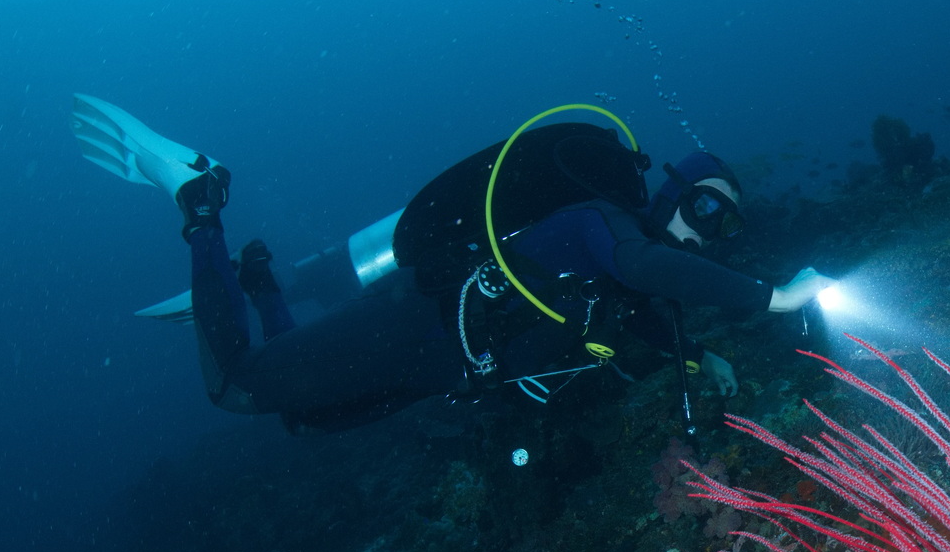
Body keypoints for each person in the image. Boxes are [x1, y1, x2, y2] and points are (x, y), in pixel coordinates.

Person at [70, 96, 835, 432]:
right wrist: (770, 298)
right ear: (669, 189)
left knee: (304, 416)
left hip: (432, 366)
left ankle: (261, 283)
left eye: (723, 222)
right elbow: (647, 270)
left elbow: (635, 319)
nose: (708, 232)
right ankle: (201, 201)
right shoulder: (602, 224)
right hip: (416, 321)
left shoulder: (619, 273)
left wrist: (700, 360)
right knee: (236, 388)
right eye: (704, 207)